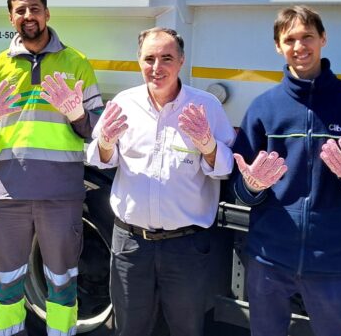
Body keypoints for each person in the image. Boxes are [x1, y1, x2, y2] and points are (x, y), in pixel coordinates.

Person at [231, 5, 341, 336]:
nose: (299, 46)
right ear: (278, 46)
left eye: (307, 36)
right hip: (268, 259)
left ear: (323, 39)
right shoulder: (264, 108)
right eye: (289, 39)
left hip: (331, 261)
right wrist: (251, 185)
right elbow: (238, 188)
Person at [0, 0, 103, 336]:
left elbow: (96, 130)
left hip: (60, 195)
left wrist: (76, 114)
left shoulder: (77, 63)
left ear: (47, 13)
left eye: (34, 8)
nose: (27, 16)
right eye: (20, 10)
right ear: (10, 17)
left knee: (62, 283)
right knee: (6, 283)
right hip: (7, 193)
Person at [85, 28, 235, 336]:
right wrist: (105, 143)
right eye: (149, 58)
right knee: (129, 329)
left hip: (186, 247)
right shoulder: (124, 103)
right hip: (130, 245)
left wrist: (208, 146)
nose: (157, 67)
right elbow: (99, 158)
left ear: (181, 61)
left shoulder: (206, 107)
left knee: (185, 329)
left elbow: (224, 170)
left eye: (166, 58)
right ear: (139, 62)